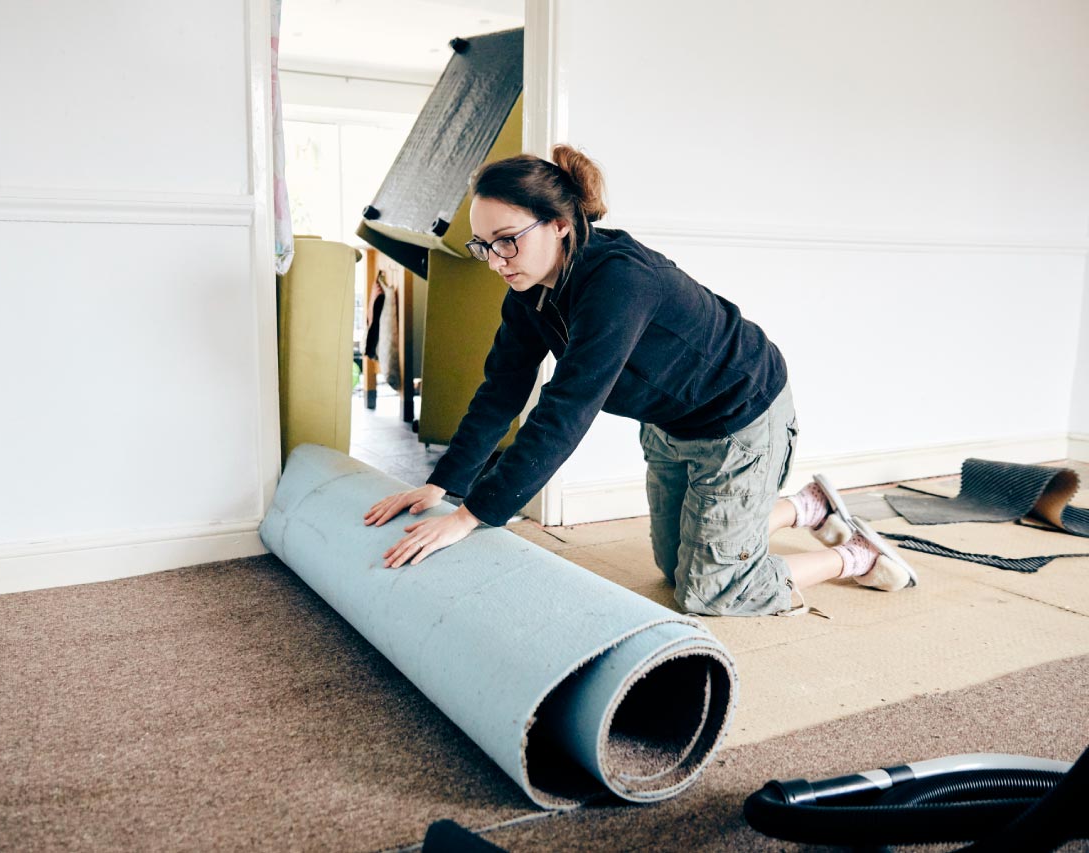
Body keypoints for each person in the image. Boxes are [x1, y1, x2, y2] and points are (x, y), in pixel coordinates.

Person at [363, 145, 917, 616]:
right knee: (673, 567)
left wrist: (472, 516)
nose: (495, 261)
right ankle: (807, 507)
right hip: (670, 424)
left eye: (507, 239)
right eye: (484, 244)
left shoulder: (619, 281)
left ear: (559, 224)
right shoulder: (529, 291)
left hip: (740, 419)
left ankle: (855, 556)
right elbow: (502, 389)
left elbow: (566, 408)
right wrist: (446, 484)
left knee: (712, 593)